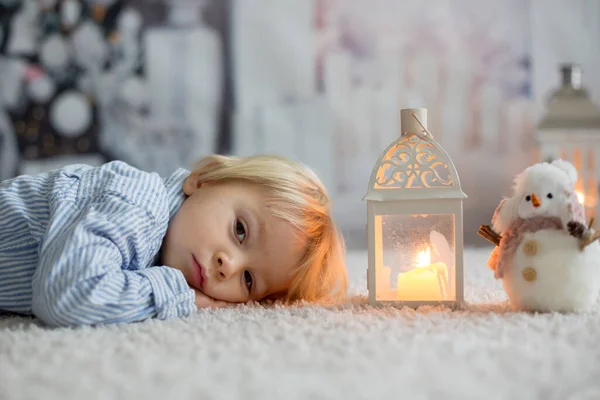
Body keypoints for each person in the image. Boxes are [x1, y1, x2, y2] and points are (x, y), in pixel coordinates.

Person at [0, 154, 347, 327]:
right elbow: (66, 295)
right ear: (205, 180)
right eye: (240, 230)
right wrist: (177, 295)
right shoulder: (140, 203)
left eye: (249, 279)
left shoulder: (161, 245)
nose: (230, 265)